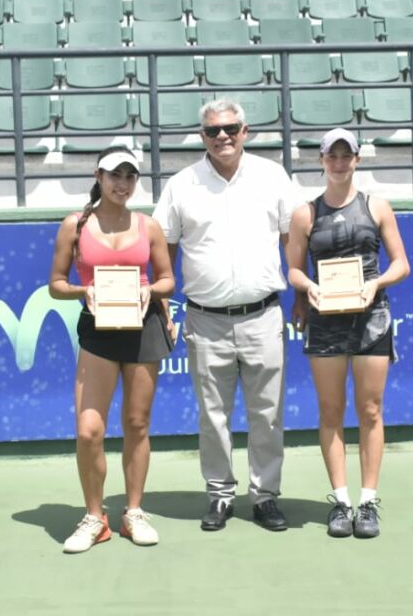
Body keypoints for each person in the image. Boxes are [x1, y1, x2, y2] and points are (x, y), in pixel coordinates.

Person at [153, 98, 301, 532]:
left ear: (245, 131)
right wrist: (164, 302)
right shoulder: (182, 184)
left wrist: (302, 290)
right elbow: (165, 245)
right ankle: (220, 496)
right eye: (214, 130)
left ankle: (265, 496)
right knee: (212, 416)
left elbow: (294, 234)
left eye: (231, 129)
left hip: (263, 316)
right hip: (205, 319)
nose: (223, 137)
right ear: (202, 136)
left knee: (268, 413)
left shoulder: (272, 176)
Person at [49, 146, 175, 554]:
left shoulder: (149, 225)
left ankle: (133, 512)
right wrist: (84, 290)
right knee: (89, 430)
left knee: (137, 425)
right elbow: (56, 283)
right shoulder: (74, 225)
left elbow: (168, 280)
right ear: (98, 176)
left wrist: (148, 290)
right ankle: (93, 517)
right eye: (114, 175)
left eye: (129, 176)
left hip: (144, 329)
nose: (122, 184)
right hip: (98, 333)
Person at [285, 128, 410, 539]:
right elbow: (294, 269)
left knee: (371, 409)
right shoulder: (305, 214)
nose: (339, 162)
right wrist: (309, 287)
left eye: (346, 155)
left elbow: (400, 264)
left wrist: (376, 284)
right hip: (325, 321)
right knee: (331, 411)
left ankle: (368, 500)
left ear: (357, 159)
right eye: (331, 156)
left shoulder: (378, 206)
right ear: (321, 160)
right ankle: (340, 501)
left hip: (372, 317)